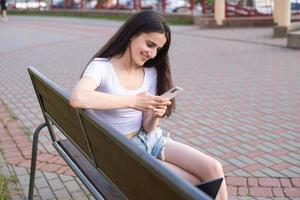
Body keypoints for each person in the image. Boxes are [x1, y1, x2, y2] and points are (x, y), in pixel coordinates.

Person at [70, 10, 228, 200]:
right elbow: (78, 98)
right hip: (125, 150)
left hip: (151, 140)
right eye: (149, 44)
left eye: (157, 49)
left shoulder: (151, 73)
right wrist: (134, 101)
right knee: (195, 182)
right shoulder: (102, 67)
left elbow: (147, 126)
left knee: (213, 168)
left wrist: (154, 115)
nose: (152, 53)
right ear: (132, 34)